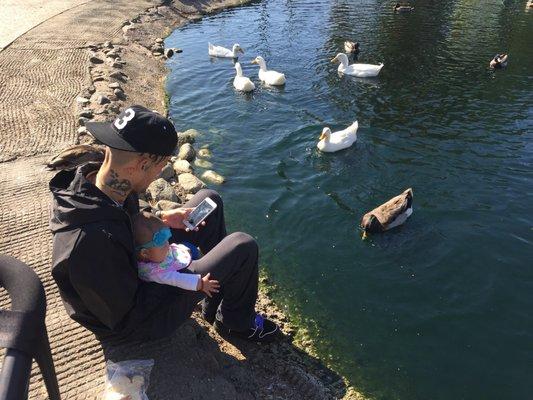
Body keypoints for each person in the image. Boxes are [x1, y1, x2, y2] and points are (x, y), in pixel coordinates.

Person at [49, 105, 279, 343]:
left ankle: (219, 294)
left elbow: (121, 222)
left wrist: (161, 219)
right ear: (143, 164)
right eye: (160, 166)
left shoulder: (107, 179)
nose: (159, 174)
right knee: (242, 246)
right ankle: (236, 323)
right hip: (140, 320)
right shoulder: (88, 241)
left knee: (209, 202)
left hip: (142, 263)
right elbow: (125, 314)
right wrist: (189, 282)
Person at [133, 211, 219, 296]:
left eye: (167, 239)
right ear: (145, 253)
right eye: (162, 243)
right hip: (181, 269)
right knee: (197, 257)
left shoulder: (153, 255)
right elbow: (179, 280)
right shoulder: (156, 273)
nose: (167, 244)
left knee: (189, 246)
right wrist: (202, 284)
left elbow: (167, 247)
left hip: (176, 256)